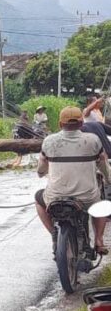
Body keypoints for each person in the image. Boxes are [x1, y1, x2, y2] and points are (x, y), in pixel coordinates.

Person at [35, 106, 109, 256]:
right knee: (101, 203)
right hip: (87, 198)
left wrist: (41, 172)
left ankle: (54, 234)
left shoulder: (49, 141)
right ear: (82, 124)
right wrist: (108, 178)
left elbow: (41, 168)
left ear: (60, 124)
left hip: (55, 197)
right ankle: (99, 241)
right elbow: (103, 163)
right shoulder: (92, 140)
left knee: (38, 199)